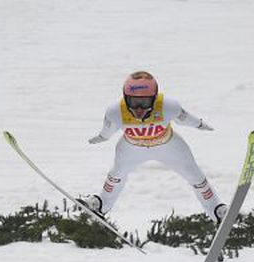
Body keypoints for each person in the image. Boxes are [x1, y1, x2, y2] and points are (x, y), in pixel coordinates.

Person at [77, 71, 227, 222]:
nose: (139, 109)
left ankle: (216, 209)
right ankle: (101, 204)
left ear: (155, 98)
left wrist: (199, 124)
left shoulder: (168, 106)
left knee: (195, 176)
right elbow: (108, 130)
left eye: (145, 102)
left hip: (168, 146)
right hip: (131, 148)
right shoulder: (115, 111)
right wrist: (102, 137)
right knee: (116, 175)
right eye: (134, 102)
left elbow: (185, 118)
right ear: (125, 97)